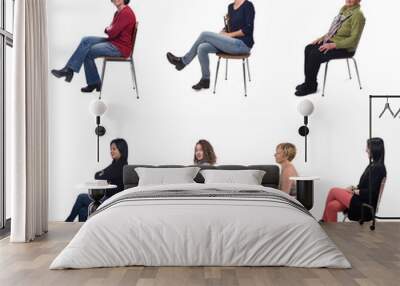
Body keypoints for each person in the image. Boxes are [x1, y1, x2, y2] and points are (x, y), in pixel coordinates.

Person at [167, 0, 255, 91]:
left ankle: (183, 61)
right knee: (202, 48)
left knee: (204, 34)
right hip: (230, 43)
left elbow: (248, 29)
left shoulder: (248, 5)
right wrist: (224, 31)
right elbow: (230, 27)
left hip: (242, 45)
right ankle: (205, 80)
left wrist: (228, 35)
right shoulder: (230, 7)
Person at [51, 0, 136, 93]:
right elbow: (112, 30)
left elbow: (112, 31)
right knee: (86, 40)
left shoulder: (126, 13)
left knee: (87, 50)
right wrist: (110, 29)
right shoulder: (118, 12)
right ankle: (70, 70)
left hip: (120, 48)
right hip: (114, 41)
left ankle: (89, 80)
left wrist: (109, 29)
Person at [295, 0, 365, 96]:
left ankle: (310, 87)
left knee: (315, 54)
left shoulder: (358, 15)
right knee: (308, 48)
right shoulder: (344, 11)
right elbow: (333, 31)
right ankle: (309, 82)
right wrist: (321, 38)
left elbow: (354, 40)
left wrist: (333, 45)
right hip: (333, 41)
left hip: (345, 48)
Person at [321, 138, 386, 223]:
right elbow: (364, 186)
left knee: (333, 190)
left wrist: (355, 191)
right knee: (331, 206)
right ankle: (331, 233)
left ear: (375, 149)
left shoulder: (378, 168)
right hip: (360, 200)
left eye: (368, 148)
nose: (366, 150)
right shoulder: (373, 165)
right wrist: (353, 188)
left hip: (365, 206)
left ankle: (323, 221)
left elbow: (371, 192)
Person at [65, 138, 129, 222]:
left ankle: (68, 222)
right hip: (106, 198)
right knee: (83, 210)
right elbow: (97, 175)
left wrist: (105, 176)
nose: (111, 151)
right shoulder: (114, 164)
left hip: (110, 200)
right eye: (110, 149)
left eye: (114, 149)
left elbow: (100, 176)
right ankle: (83, 230)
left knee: (81, 197)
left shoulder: (121, 166)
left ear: (121, 149)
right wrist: (106, 177)